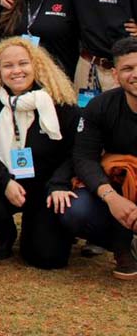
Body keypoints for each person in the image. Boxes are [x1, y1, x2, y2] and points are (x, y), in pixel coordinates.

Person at [0, 38, 77, 268]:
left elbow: (74, 152)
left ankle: (38, 227)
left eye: (23, 63)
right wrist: (4, 181)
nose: (16, 71)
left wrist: (59, 184)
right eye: (8, 66)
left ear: (36, 65)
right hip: (4, 185)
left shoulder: (59, 102)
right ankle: (6, 234)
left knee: (47, 259)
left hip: (45, 187)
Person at [61, 37, 137, 279]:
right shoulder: (100, 106)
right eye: (127, 69)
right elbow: (84, 158)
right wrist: (111, 197)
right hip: (116, 183)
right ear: (115, 75)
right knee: (75, 210)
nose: (135, 74)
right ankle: (121, 246)